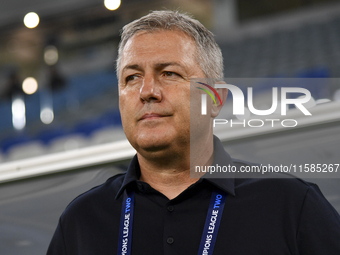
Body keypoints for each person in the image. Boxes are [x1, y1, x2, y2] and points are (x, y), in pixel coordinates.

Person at [47, 10, 340, 255]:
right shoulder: (81, 222)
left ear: (215, 100)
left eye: (169, 73)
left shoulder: (290, 205)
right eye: (132, 77)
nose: (147, 91)